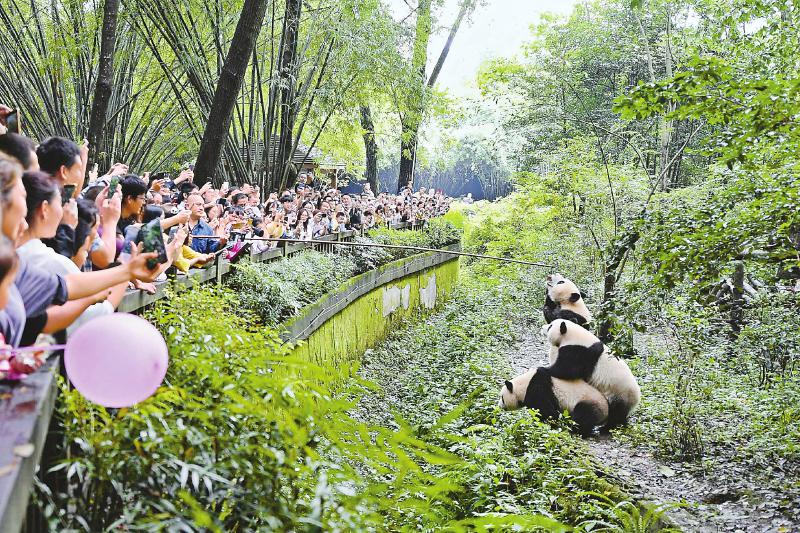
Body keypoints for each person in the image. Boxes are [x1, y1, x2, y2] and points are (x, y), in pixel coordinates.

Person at [0, 156, 161, 347]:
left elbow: (63, 287)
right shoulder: (34, 256)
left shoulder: (15, 261)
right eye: (22, 198)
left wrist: (126, 271)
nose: (67, 210)